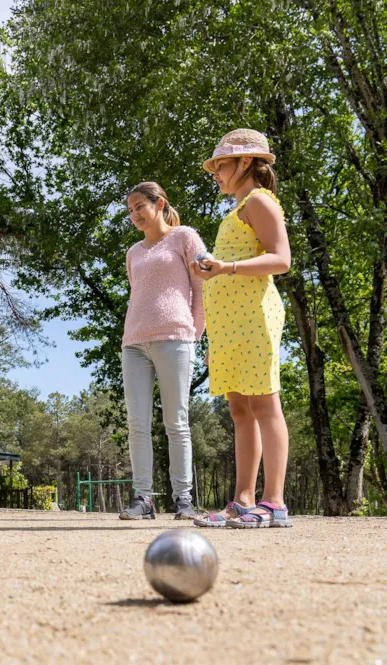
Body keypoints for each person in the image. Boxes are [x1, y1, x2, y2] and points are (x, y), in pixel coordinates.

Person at [192, 129, 293, 528]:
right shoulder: (235, 211)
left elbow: (281, 259)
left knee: (265, 404)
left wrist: (227, 267)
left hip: (254, 316)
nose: (215, 173)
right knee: (239, 408)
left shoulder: (258, 201)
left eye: (221, 165)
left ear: (245, 162)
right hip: (229, 325)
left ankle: (275, 503)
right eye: (214, 167)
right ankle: (242, 501)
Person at [119, 182, 206, 520]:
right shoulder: (133, 253)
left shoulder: (184, 237)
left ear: (160, 204)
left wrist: (194, 332)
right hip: (134, 344)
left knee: (176, 422)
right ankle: (143, 499)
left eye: (140, 206)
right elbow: (138, 294)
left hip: (176, 339)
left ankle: (183, 499)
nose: (134, 214)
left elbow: (201, 288)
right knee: (137, 423)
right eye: (130, 210)